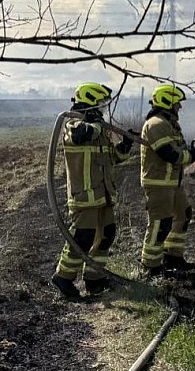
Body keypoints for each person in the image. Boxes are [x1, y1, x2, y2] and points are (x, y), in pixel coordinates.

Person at [52, 82, 133, 297]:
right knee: (83, 237)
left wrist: (125, 146)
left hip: (103, 194)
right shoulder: (73, 122)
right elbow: (81, 135)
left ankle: (95, 279)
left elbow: (111, 158)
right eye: (101, 103)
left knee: (106, 235)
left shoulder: (99, 129)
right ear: (90, 101)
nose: (104, 108)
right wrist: (96, 123)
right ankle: (63, 277)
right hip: (85, 194)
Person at [139, 84, 195, 277]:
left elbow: (183, 152)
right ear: (167, 101)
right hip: (158, 183)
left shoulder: (170, 126)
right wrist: (192, 155)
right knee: (160, 223)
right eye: (177, 102)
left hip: (172, 183)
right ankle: (150, 266)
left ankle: (173, 257)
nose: (180, 107)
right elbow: (171, 155)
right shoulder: (156, 125)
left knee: (183, 214)